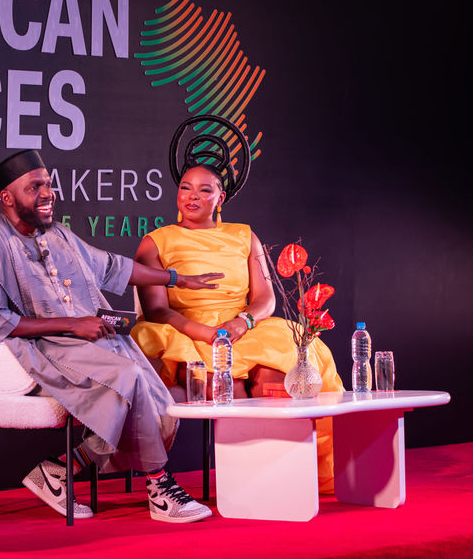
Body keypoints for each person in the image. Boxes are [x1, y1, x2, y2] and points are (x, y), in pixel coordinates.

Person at [0, 150, 220, 523]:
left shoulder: (57, 233)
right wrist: (73, 324)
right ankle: (160, 488)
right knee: (127, 378)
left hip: (87, 340)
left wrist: (176, 278)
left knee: (158, 392)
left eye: (48, 183)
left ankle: (60, 469)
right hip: (41, 345)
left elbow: (112, 267)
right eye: (35, 187)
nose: (47, 193)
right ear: (7, 197)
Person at [131, 163, 345, 494]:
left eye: (205, 189)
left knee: (279, 373)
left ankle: (285, 477)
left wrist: (241, 322)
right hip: (184, 329)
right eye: (186, 187)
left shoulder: (244, 235)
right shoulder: (156, 242)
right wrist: (204, 333)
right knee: (220, 381)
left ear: (220, 197)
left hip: (240, 327)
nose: (193, 196)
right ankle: (240, 482)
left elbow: (265, 299)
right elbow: (156, 310)